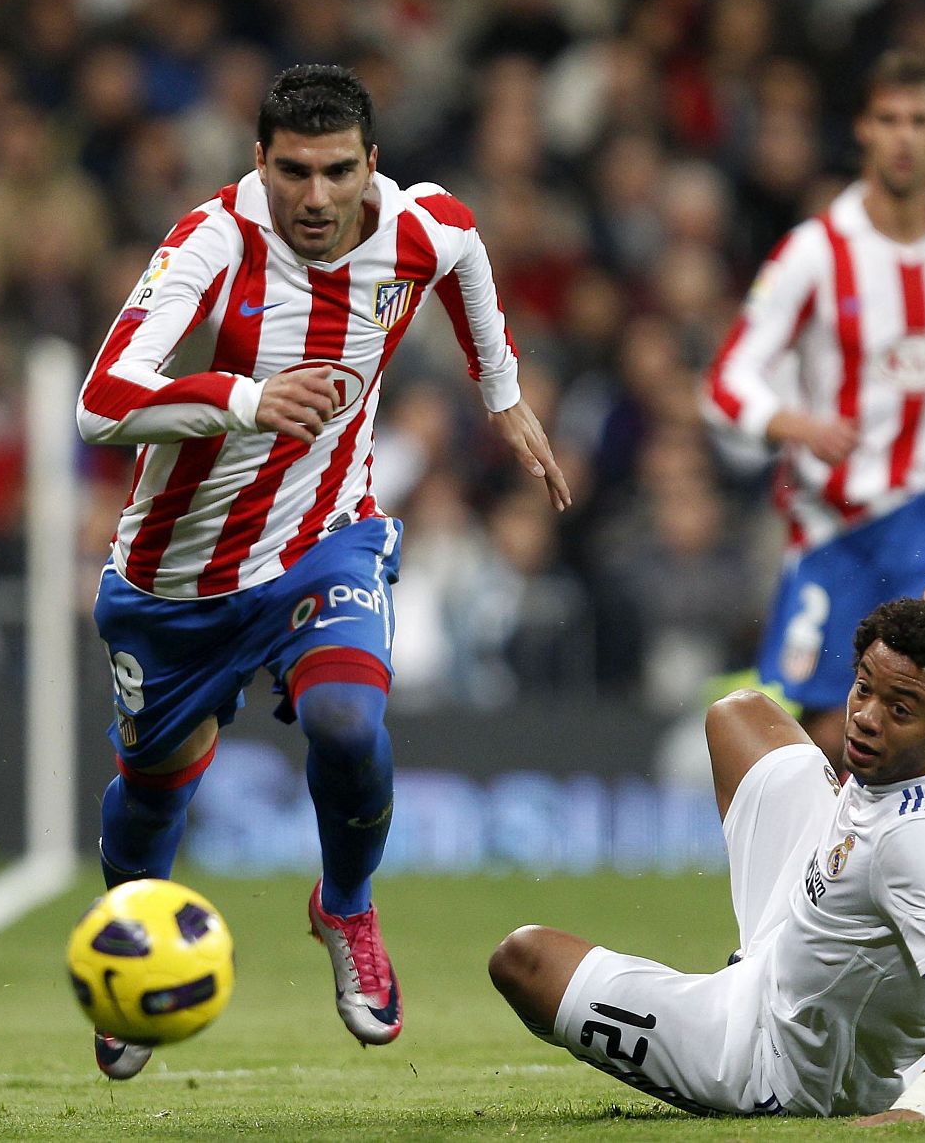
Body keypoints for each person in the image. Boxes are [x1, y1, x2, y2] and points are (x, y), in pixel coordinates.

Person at [76, 64, 570, 1078]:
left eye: (336, 171)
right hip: (176, 580)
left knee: (349, 723)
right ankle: (129, 946)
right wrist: (250, 401)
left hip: (323, 542)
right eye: (292, 170)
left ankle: (343, 908)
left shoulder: (418, 228)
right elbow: (100, 399)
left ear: (369, 165)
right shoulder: (213, 242)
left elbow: (467, 255)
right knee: (156, 788)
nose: (314, 196)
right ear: (259, 163)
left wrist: (502, 394)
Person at [489, 561, 925, 1123]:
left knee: (523, 961)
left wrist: (921, 1109)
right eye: (864, 688)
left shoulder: (917, 841)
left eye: (898, 710)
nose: (865, 718)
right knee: (738, 715)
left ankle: (711, 1058)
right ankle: (757, 957)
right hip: (803, 923)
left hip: (784, 1064)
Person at [703, 50, 925, 772]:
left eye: (921, 120)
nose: (904, 136)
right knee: (823, 736)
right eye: (888, 119)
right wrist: (795, 424)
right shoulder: (815, 253)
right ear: (863, 132)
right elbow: (726, 381)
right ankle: (834, 879)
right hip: (830, 526)